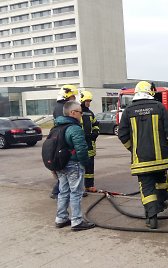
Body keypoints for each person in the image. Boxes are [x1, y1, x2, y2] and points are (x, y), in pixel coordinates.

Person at [118, 81, 168, 229]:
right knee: (161, 183)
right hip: (161, 158)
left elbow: (122, 135)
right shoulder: (159, 107)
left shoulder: (128, 110)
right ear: (150, 92)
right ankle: (159, 204)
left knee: (147, 187)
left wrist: (132, 149)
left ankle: (152, 217)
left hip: (141, 159)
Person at [55, 101, 95, 231]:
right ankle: (77, 221)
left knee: (63, 192)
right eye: (80, 112)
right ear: (72, 113)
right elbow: (81, 149)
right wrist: (85, 163)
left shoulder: (57, 127)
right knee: (76, 193)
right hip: (73, 165)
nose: (81, 115)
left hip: (61, 165)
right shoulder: (74, 128)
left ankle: (61, 218)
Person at [50, 85, 79, 200]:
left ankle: (58, 192)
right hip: (64, 140)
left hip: (59, 139)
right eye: (72, 96)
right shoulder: (64, 107)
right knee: (67, 168)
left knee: (62, 170)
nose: (74, 98)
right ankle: (58, 192)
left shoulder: (58, 106)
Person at [79, 90, 100, 192]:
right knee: (79, 166)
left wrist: (95, 133)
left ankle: (89, 185)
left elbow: (96, 124)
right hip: (81, 143)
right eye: (87, 101)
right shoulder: (78, 111)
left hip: (90, 143)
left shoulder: (90, 113)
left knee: (90, 167)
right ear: (82, 100)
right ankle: (79, 187)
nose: (88, 103)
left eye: (89, 101)